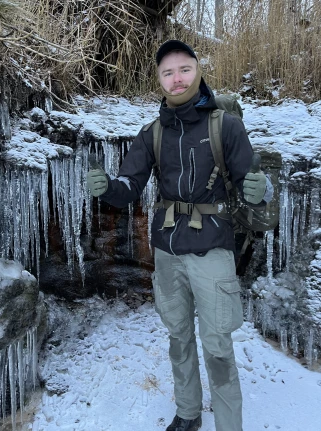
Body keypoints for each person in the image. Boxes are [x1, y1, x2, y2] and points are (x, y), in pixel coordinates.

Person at [87, 40, 271, 431]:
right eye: (167, 73)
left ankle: (229, 425)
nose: (176, 79)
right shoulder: (153, 133)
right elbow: (129, 184)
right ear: (159, 80)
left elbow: (249, 182)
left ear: (198, 71)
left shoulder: (226, 126)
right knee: (179, 337)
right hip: (168, 252)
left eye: (183, 70)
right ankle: (188, 414)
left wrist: (262, 188)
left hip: (212, 251)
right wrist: (107, 187)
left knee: (218, 346)